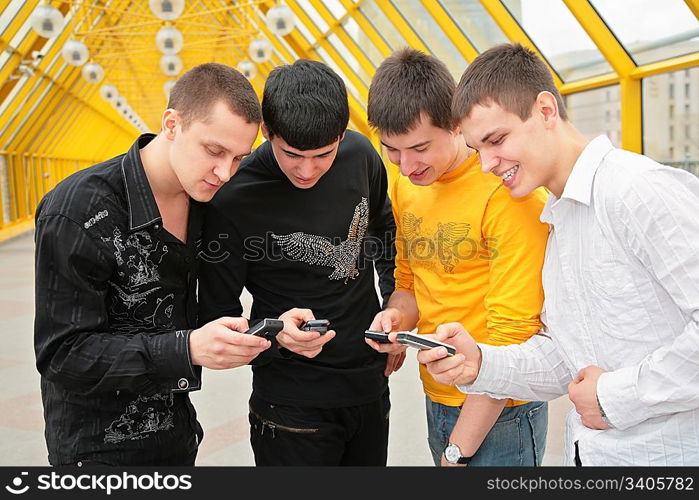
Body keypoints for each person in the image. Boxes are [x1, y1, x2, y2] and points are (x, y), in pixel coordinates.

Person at [418, 43, 699, 466]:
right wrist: (480, 361)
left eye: (497, 140)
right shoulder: (559, 218)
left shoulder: (638, 191)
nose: (487, 165)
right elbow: (568, 356)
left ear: (546, 110)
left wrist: (613, 396)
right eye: (478, 150)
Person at [34, 63, 271, 466]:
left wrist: (274, 329)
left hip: (177, 440)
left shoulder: (207, 204)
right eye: (214, 151)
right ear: (172, 124)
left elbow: (209, 310)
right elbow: (62, 354)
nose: (225, 172)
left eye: (238, 158)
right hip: (98, 454)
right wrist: (186, 348)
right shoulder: (78, 210)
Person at [197, 59, 398, 466]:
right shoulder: (233, 197)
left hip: (370, 384)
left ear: (342, 134)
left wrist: (395, 305)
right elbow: (218, 317)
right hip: (291, 407)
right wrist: (275, 336)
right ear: (267, 133)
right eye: (291, 154)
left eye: (323, 154)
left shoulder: (360, 155)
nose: (307, 170)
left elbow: (383, 229)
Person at [365, 48, 549, 467]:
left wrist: (457, 451)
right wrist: (395, 318)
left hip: (504, 410)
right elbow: (409, 280)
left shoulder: (509, 194)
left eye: (420, 148)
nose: (407, 165)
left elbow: (513, 338)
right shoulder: (407, 184)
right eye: (392, 150)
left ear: (455, 123)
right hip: (440, 397)